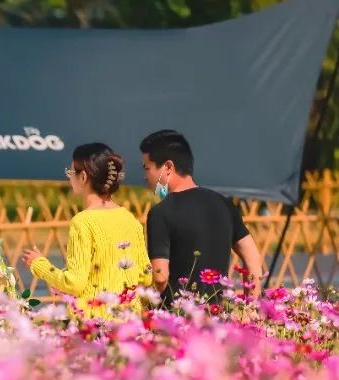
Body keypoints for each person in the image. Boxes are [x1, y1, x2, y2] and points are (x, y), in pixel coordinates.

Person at [23, 143, 151, 317]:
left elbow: (74, 283)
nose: (70, 178)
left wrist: (39, 265)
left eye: (71, 172)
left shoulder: (83, 222)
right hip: (129, 320)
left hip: (95, 322)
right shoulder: (129, 219)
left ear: (83, 177)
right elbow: (146, 276)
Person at [139, 129, 263, 302]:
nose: (145, 176)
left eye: (147, 168)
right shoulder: (224, 204)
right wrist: (251, 307)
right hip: (217, 314)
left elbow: (160, 277)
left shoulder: (161, 213)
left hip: (177, 315)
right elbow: (253, 259)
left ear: (167, 167)